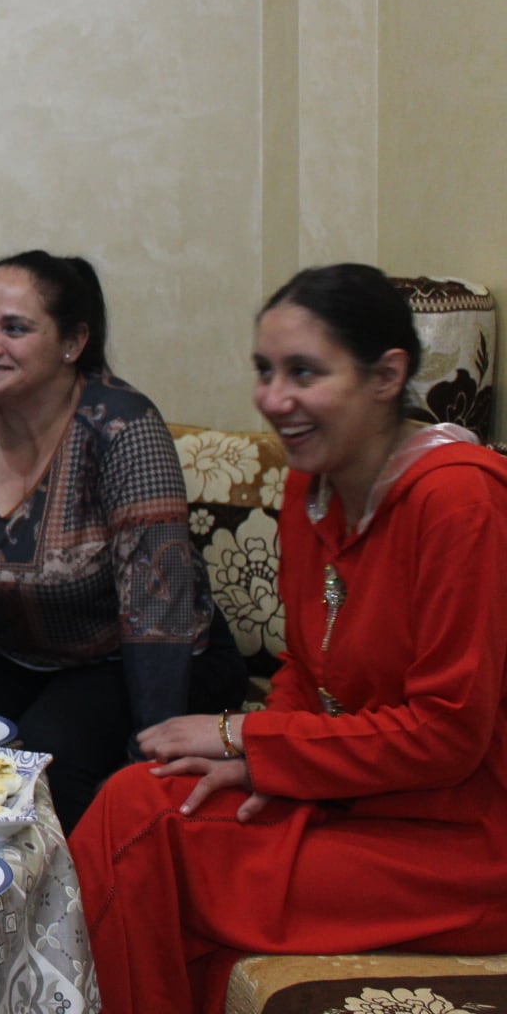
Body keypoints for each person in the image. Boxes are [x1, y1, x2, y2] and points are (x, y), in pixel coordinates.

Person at [73, 264, 507, 1014]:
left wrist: (250, 741)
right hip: (355, 800)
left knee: (140, 839)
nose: (274, 400)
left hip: (458, 841)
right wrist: (261, 760)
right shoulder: (315, 484)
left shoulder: (460, 500)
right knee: (141, 799)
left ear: (386, 375)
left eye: (304, 373)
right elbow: (307, 672)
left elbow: (447, 737)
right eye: (265, 371)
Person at [0, 250, 246, 830]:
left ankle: (67, 917)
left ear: (72, 342)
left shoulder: (123, 428)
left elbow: (156, 610)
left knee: (48, 766)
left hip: (118, 657)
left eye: (15, 328)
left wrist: (150, 759)